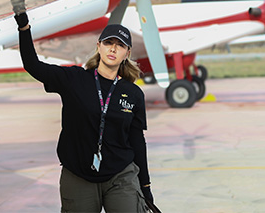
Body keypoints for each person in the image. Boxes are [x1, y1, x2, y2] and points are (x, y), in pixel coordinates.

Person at [16, 12, 160, 212]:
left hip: (120, 174)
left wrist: (145, 185)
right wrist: (24, 28)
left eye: (120, 45)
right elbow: (33, 66)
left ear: (126, 53)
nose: (113, 48)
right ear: (98, 46)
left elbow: (136, 140)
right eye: (108, 42)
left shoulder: (133, 93)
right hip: (78, 174)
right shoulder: (74, 79)